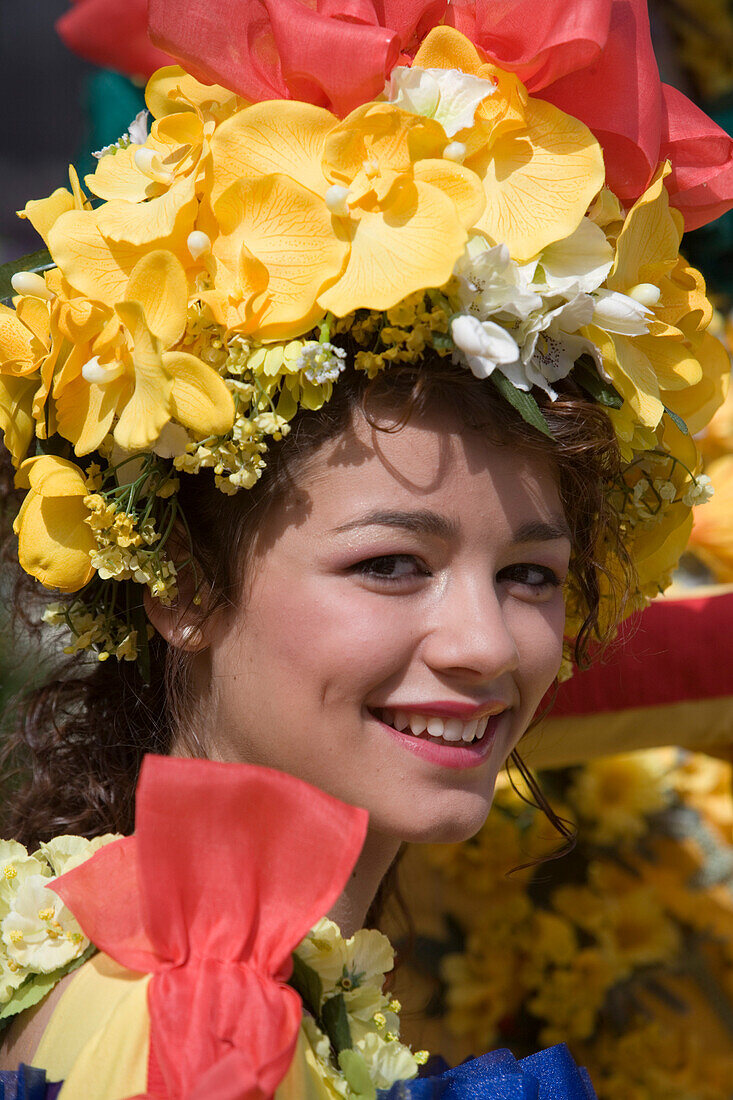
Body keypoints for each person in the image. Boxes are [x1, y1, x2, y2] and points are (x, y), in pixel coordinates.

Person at [0, 1, 732, 1096]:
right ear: (181, 578)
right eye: (392, 563)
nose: (486, 642)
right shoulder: (203, 1021)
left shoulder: (203, 970)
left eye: (530, 572)